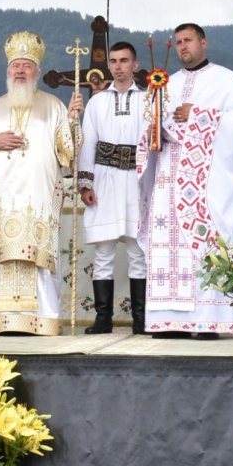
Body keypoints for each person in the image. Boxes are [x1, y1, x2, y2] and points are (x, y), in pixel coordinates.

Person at [138, 23, 233, 338]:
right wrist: (152, 132)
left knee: (202, 247)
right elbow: (151, 127)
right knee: (168, 246)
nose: (182, 46)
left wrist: (199, 114)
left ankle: (208, 321)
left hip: (204, 184)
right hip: (167, 178)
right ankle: (168, 320)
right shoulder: (167, 83)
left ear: (203, 42)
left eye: (188, 40)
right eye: (177, 42)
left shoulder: (226, 80)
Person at [0, 32, 83, 335]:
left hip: (38, 197)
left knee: (37, 258)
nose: (20, 71)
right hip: (3, 200)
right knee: (2, 257)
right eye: (15, 65)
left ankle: (42, 322)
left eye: (26, 66)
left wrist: (73, 121)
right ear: (8, 71)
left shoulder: (55, 106)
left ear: (37, 72)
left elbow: (68, 152)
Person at [76, 41, 148, 334]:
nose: (118, 66)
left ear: (135, 64)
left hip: (135, 179)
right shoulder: (97, 102)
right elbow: (88, 142)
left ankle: (141, 320)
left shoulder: (148, 100)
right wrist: (85, 182)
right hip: (105, 178)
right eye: (114, 61)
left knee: (138, 251)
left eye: (124, 60)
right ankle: (103, 319)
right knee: (103, 253)